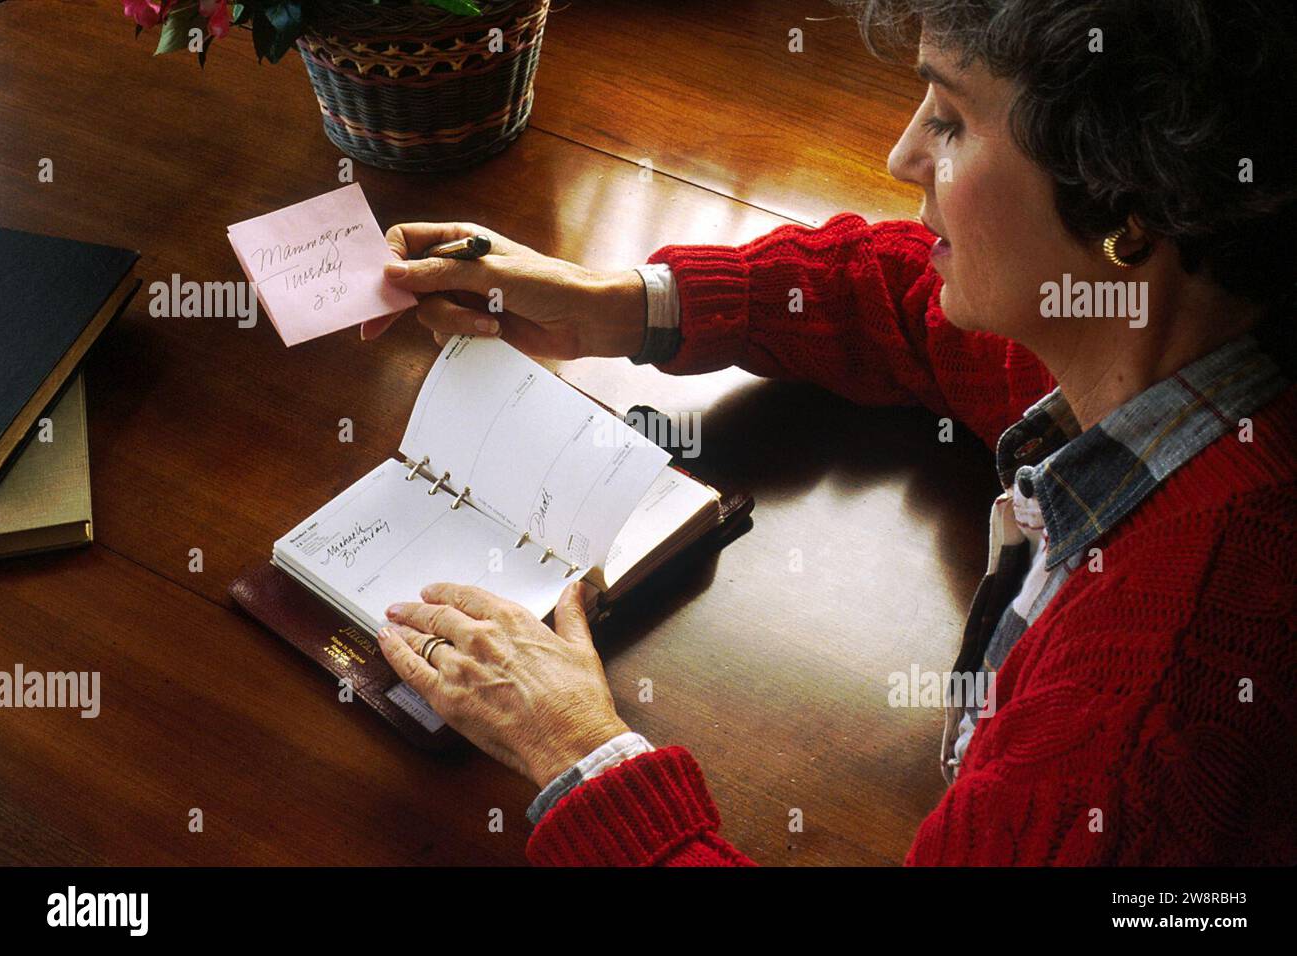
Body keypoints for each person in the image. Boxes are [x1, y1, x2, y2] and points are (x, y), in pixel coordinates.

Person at [363, 0, 1296, 865]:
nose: (902, 156)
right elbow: (901, 299)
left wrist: (577, 751)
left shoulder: (1138, 742)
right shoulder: (1168, 337)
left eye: (953, 121)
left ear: (1128, 204)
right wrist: (613, 309)